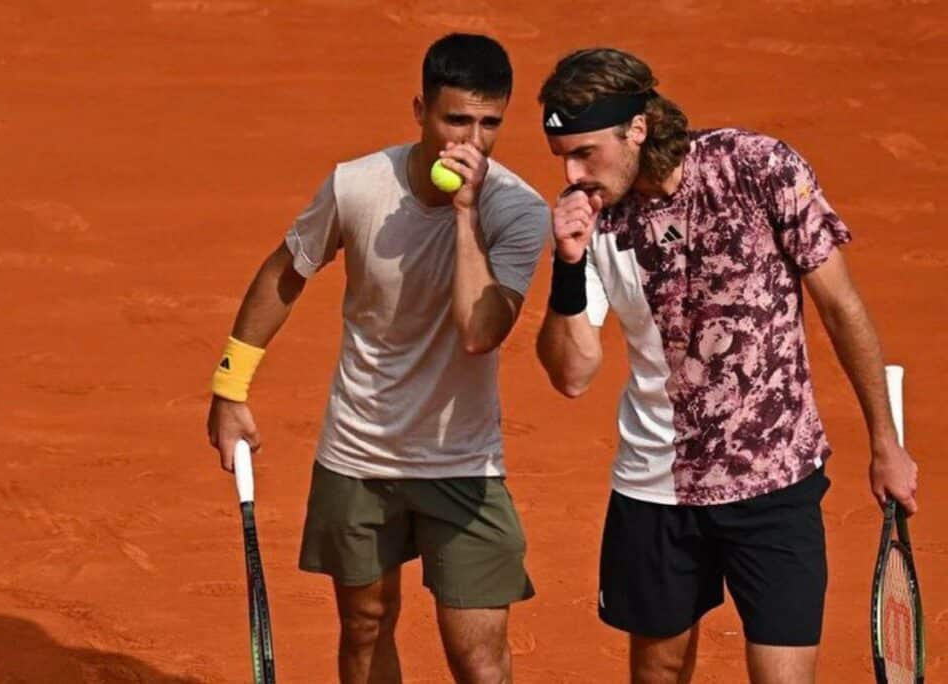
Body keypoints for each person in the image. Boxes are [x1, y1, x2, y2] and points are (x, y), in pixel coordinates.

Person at [534, 47, 919, 684]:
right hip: (656, 486)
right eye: (562, 157)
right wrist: (568, 264)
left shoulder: (756, 167)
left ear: (637, 128)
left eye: (585, 153)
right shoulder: (592, 223)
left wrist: (886, 442)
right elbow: (572, 375)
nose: (574, 175)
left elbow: (841, 306)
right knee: (657, 672)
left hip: (775, 479)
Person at [206, 34, 548, 684]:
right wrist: (230, 385)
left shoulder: (518, 212)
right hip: (358, 453)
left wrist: (466, 215)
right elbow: (285, 272)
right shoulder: (357, 186)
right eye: (456, 120)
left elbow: (480, 332)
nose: (472, 142)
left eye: (489, 124)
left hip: (463, 464)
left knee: (479, 660)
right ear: (420, 110)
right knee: (364, 628)